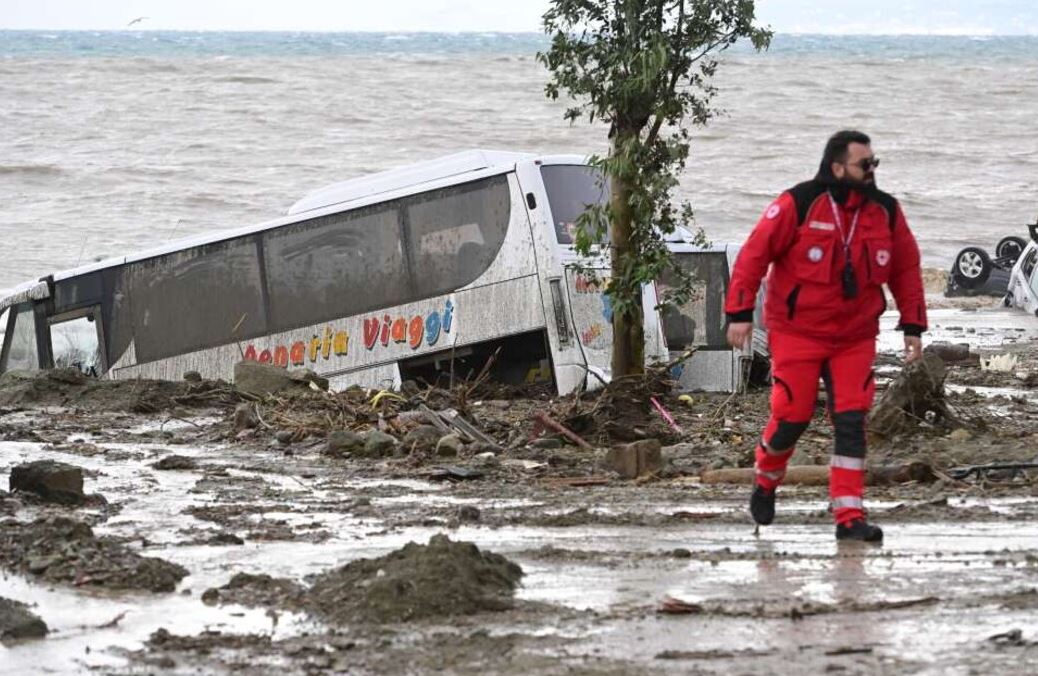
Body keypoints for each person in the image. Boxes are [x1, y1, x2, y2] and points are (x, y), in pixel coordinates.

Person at [725, 130, 927, 542]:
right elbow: (753, 255)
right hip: (798, 332)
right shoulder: (797, 204)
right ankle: (765, 481)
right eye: (864, 164)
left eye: (874, 163)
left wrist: (913, 325)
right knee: (791, 417)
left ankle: (849, 516)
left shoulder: (885, 211)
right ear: (838, 167)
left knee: (852, 422)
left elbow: (907, 268)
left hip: (854, 336)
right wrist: (740, 313)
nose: (872, 171)